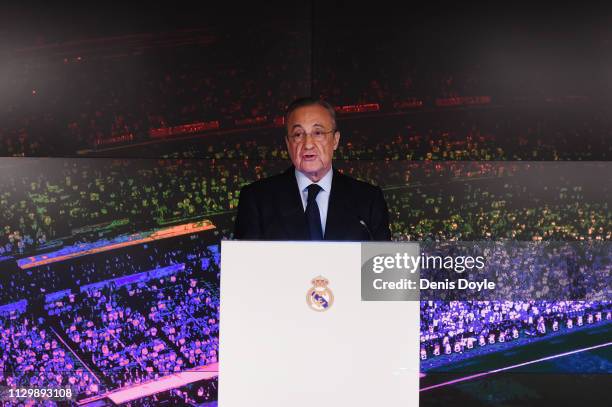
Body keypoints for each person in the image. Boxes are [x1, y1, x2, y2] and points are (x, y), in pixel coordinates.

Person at [234, 97, 391, 240]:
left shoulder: (368, 199)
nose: (308, 144)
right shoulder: (257, 199)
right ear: (288, 144)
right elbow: (246, 268)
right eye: (298, 134)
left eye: (318, 133)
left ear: (335, 140)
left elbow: (382, 267)